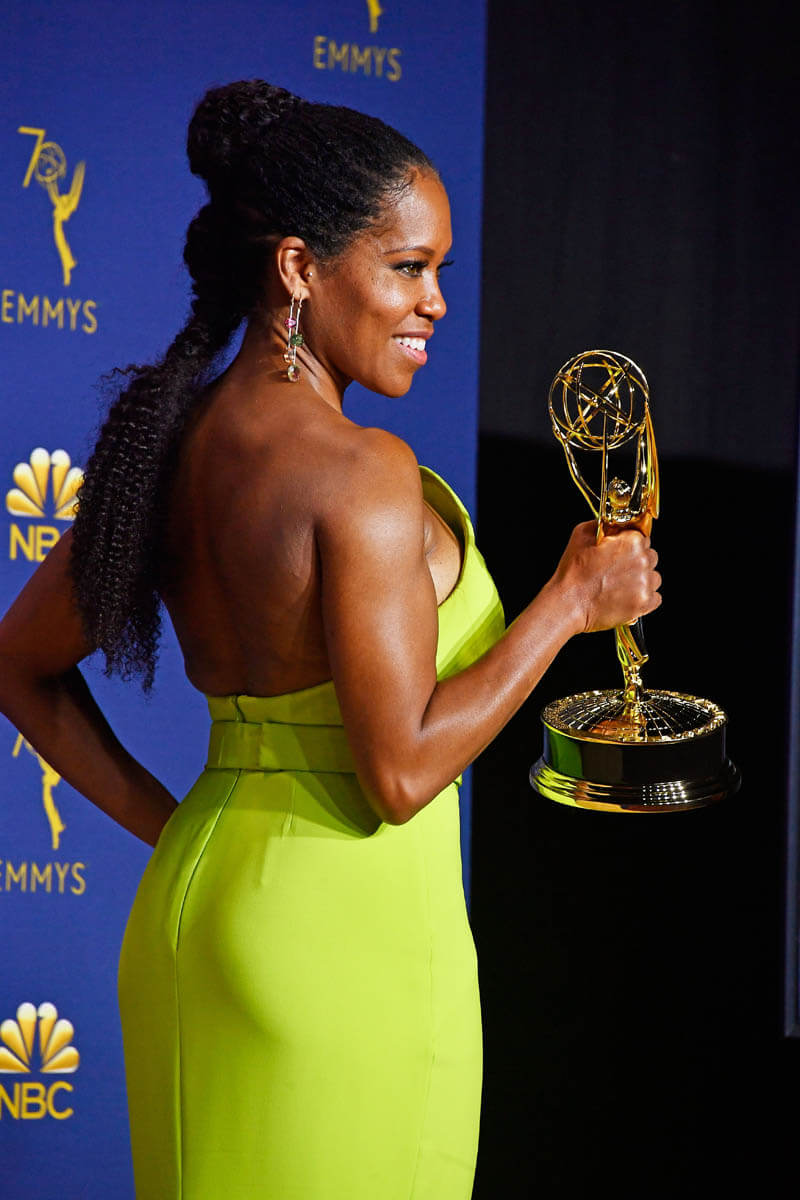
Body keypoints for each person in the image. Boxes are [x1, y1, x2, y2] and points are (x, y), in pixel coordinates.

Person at [0, 81, 661, 1199]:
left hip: (197, 920)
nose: (434, 302)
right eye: (406, 268)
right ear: (300, 269)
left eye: (439, 270)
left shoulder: (170, 447)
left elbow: (17, 662)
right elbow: (398, 772)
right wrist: (567, 603)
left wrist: (182, 831)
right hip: (346, 943)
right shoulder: (361, 472)